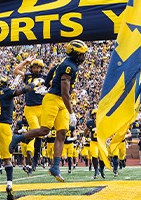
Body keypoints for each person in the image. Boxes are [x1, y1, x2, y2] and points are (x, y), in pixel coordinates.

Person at [9, 39, 89, 182]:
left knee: (62, 133)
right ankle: (18, 138)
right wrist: (71, 112)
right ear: (75, 54)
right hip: (54, 99)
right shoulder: (69, 66)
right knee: (44, 130)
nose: (84, 57)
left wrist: (46, 84)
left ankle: (55, 167)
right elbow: (65, 93)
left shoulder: (67, 62)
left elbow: (52, 70)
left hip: (60, 100)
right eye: (82, 54)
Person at [14, 58, 47, 171]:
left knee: (41, 134)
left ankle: (34, 162)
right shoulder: (27, 76)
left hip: (42, 108)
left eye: (38, 67)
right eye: (34, 67)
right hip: (30, 108)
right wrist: (26, 62)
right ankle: (32, 161)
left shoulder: (46, 78)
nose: (36, 69)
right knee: (36, 130)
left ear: (41, 68)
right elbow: (16, 70)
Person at [84, 109, 106, 179]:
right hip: (93, 142)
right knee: (94, 156)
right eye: (94, 115)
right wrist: (84, 136)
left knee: (102, 158)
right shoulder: (90, 123)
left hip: (101, 142)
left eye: (96, 114)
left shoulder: (103, 121)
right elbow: (86, 129)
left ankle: (101, 170)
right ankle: (96, 170)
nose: (95, 116)